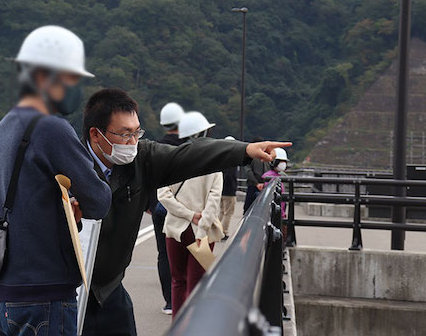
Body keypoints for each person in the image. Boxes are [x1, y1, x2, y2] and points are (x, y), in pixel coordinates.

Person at [81, 88, 291, 336]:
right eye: (125, 135)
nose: (132, 143)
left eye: (137, 132)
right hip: (69, 290)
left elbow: (189, 155)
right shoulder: (68, 164)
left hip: (110, 288)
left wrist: (243, 152)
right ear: (96, 134)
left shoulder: (141, 158)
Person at [0, 26, 112, 336]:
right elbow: (99, 200)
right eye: (72, 80)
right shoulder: (51, 127)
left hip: (6, 295)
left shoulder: (5, 126)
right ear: (45, 77)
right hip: (45, 297)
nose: (78, 89)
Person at [158, 111, 224, 317]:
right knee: (197, 285)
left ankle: (177, 325)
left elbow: (163, 195)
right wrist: (201, 225)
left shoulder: (172, 161)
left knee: (178, 282)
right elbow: (214, 200)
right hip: (202, 232)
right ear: (204, 132)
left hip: (175, 229)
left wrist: (187, 214)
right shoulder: (214, 164)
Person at [151, 102, 186, 315]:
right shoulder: (187, 147)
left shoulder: (155, 146)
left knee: (163, 254)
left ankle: (169, 302)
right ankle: (183, 298)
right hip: (182, 207)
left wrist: (149, 205)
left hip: (159, 207)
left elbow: (149, 178)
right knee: (182, 251)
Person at [260, 147, 289, 237]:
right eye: (281, 161)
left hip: (280, 212)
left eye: (284, 162)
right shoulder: (269, 177)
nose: (283, 164)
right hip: (276, 214)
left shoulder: (278, 176)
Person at [243, 136, 272, 213]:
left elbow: (248, 171)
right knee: (263, 209)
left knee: (248, 209)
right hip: (265, 185)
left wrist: (256, 183)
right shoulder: (267, 156)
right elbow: (269, 170)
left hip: (253, 185)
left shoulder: (250, 157)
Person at [219, 136, 238, 241]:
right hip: (229, 190)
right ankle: (223, 232)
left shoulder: (221, 157)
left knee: (221, 211)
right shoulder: (232, 159)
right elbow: (230, 175)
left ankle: (213, 230)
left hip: (221, 189)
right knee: (228, 213)